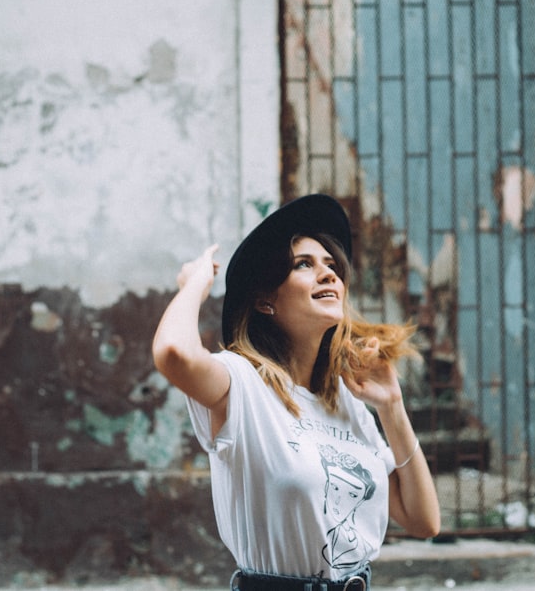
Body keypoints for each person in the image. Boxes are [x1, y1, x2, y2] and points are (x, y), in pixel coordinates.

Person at [152, 194, 440, 591]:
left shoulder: (346, 403)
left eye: (332, 266)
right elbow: (173, 354)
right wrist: (196, 283)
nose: (328, 274)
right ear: (265, 300)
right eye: (304, 264)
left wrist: (392, 408)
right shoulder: (242, 384)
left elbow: (424, 521)